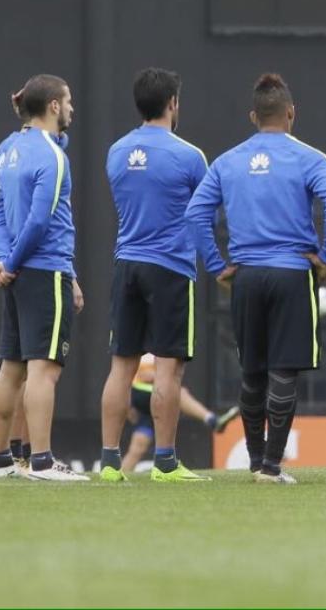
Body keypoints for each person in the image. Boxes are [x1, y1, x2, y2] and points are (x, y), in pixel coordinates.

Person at [187, 73, 326, 485]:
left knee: (252, 371)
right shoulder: (310, 157)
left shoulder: (228, 161)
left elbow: (195, 214)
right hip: (292, 273)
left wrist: (216, 264)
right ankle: (272, 468)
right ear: (291, 114)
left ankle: (257, 462)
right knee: (283, 370)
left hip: (246, 275)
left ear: (252, 116)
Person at [100, 68, 221, 482]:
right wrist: (219, 263)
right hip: (171, 268)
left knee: (121, 366)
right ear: (173, 104)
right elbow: (206, 213)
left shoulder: (116, 152)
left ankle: (109, 462)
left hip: (126, 264)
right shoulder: (188, 155)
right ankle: (166, 462)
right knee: (169, 369)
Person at [0, 74, 87, 481]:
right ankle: (41, 461)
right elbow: (41, 221)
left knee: (12, 367)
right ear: (55, 106)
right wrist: (11, 263)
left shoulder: (7, 149)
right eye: (69, 100)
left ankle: (1, 461)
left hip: (21, 271)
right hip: (43, 269)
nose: (73, 108)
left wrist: (5, 261)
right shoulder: (53, 155)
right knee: (44, 368)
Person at [121, 353, 240, 473]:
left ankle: (121, 476)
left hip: (149, 402)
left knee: (138, 446)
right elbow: (144, 375)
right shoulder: (147, 350)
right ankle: (212, 420)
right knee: (178, 393)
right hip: (145, 396)